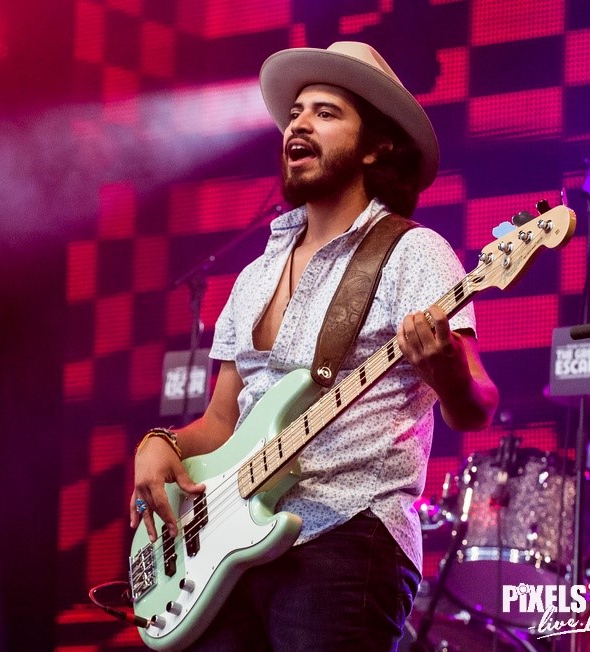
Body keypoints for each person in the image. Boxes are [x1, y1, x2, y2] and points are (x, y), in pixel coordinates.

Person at [129, 42, 499, 651]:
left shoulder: (412, 252)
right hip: (231, 546)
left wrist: (448, 370)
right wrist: (160, 444)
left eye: (326, 113)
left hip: (350, 536)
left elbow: (475, 407)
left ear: (375, 146)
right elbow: (222, 422)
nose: (298, 124)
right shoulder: (254, 276)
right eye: (296, 112)